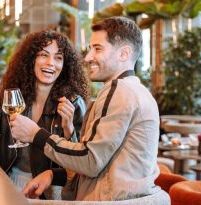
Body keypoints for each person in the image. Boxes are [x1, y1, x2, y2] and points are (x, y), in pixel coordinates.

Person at [10, 16, 161, 201]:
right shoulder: (136, 91)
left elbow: (90, 160)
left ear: (124, 54)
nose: (88, 57)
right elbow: (102, 164)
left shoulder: (118, 90)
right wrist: (53, 175)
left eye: (97, 49)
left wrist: (35, 134)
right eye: (90, 49)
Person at [0, 30, 89, 199]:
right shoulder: (13, 98)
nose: (51, 63)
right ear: (31, 59)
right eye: (43, 55)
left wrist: (69, 130)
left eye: (58, 57)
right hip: (9, 181)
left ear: (65, 65)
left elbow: (81, 162)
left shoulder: (73, 103)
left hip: (49, 190)